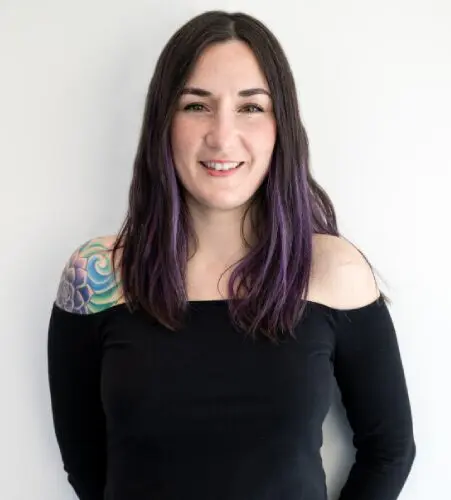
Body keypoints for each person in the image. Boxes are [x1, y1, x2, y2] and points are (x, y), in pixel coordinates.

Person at [47, 10, 416, 500]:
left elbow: (390, 451)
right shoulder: (96, 277)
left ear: (280, 125)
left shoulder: (334, 271)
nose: (222, 136)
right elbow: (86, 465)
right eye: (196, 106)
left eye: (251, 107)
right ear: (164, 121)